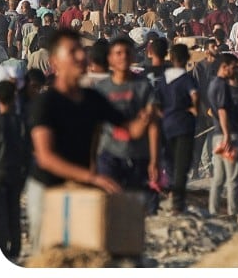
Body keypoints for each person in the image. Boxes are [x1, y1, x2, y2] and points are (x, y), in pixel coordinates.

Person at [25, 28, 154, 252]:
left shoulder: (93, 99)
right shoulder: (46, 103)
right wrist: (93, 177)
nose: (80, 56)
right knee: (49, 255)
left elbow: (129, 130)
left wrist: (144, 120)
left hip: (80, 189)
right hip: (48, 188)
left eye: (81, 51)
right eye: (72, 51)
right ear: (55, 62)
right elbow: (45, 157)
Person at [93, 37, 161, 213]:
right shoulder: (102, 89)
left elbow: (153, 124)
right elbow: (95, 127)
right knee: (109, 206)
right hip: (109, 155)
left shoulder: (143, 87)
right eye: (118, 53)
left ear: (133, 57)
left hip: (138, 155)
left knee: (134, 209)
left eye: (127, 53)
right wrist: (91, 159)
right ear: (110, 58)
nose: (123, 57)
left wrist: (154, 160)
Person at [159, 44, 199, 213]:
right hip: (183, 125)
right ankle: (177, 202)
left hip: (166, 125)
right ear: (186, 59)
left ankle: (167, 194)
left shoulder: (163, 79)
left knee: (168, 163)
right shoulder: (187, 78)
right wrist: (194, 109)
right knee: (182, 165)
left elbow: (155, 103)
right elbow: (195, 95)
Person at [205, 52, 238, 218]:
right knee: (233, 179)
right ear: (225, 66)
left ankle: (213, 212)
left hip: (218, 135)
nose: (234, 71)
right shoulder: (221, 86)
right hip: (228, 136)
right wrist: (228, 134)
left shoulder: (214, 84)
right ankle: (233, 212)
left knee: (218, 179)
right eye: (233, 67)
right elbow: (222, 111)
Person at [0, 80, 30, 261]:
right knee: (14, 211)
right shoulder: (20, 122)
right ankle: (16, 248)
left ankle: (3, 247)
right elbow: (27, 149)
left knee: (1, 214)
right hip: (16, 173)